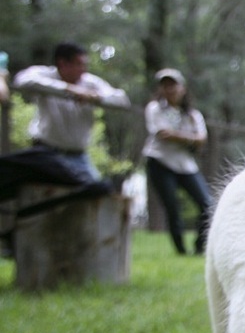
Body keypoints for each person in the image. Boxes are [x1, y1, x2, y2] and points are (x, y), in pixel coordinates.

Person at [0, 42, 130, 202]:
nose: (83, 69)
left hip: (78, 157)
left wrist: (96, 97)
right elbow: (23, 80)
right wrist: (67, 89)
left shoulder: (90, 83)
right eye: (78, 64)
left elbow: (121, 100)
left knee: (100, 193)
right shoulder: (45, 74)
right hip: (45, 153)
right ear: (62, 63)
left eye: (84, 65)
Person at [142, 68, 213, 255]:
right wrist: (190, 138)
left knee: (207, 205)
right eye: (165, 85)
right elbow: (163, 134)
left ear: (182, 88)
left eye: (173, 84)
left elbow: (202, 139)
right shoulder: (154, 109)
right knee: (172, 208)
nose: (169, 89)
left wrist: (180, 136)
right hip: (160, 161)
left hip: (185, 165)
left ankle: (200, 248)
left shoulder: (193, 115)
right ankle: (181, 250)